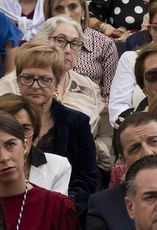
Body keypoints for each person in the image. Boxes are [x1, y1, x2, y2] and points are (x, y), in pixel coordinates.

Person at [7, 41, 100, 215]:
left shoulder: (77, 123)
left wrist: (57, 208)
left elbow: (85, 181)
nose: (35, 85)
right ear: (17, 80)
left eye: (44, 79)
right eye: (27, 78)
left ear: (57, 81)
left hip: (59, 212)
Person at [0, 19, 107, 142]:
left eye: (74, 44)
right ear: (42, 41)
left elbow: (106, 133)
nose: (68, 50)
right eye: (60, 41)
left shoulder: (89, 85)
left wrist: (95, 152)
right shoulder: (11, 82)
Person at [46, 0, 119, 101]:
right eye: (58, 9)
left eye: (73, 7)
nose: (66, 14)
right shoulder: (42, 43)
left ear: (84, 10)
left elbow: (110, 95)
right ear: (50, 15)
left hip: (94, 111)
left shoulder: (104, 44)